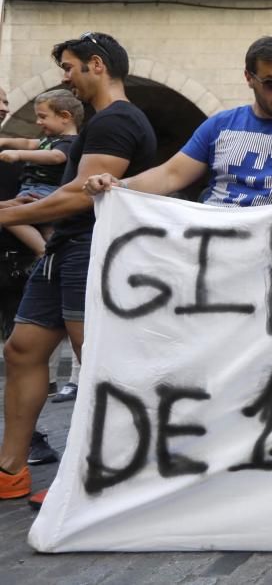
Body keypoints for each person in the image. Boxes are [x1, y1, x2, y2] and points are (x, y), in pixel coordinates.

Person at [0, 32, 158, 505]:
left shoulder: (119, 120)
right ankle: (10, 471)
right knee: (23, 349)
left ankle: (96, 477)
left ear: (96, 64)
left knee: (94, 362)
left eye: (69, 67)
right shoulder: (103, 122)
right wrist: (25, 203)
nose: (64, 77)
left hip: (92, 249)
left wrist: (9, 215)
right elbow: (69, 187)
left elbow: (81, 195)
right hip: (65, 250)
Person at [85, 37, 272, 202]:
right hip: (214, 245)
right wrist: (119, 186)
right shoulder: (220, 125)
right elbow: (171, 175)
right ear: (249, 78)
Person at [0, 90, 83, 256]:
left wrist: (18, 154)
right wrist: (7, 141)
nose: (38, 122)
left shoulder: (69, 142)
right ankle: (50, 254)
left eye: (43, 117)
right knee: (47, 228)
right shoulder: (50, 140)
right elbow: (28, 142)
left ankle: (41, 251)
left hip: (42, 191)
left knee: (10, 217)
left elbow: (56, 157)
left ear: (65, 117)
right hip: (40, 192)